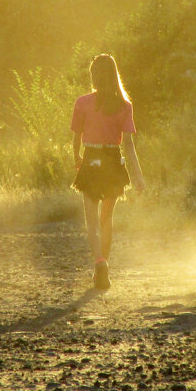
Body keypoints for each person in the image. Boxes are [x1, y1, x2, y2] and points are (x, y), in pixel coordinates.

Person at [71, 54, 145, 291]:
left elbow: (76, 138)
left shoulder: (82, 102)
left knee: (91, 222)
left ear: (93, 75)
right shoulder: (124, 106)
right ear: (114, 74)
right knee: (107, 219)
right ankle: (104, 264)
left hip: (91, 159)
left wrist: (77, 158)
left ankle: (99, 264)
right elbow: (129, 147)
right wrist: (138, 177)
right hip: (114, 162)